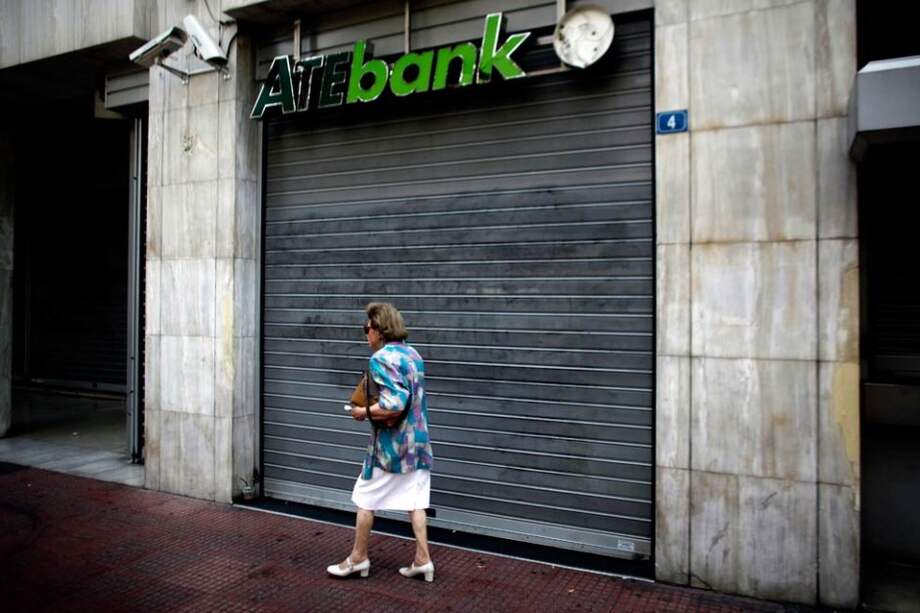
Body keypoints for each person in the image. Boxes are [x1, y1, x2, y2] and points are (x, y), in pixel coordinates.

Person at [327, 302, 435, 582]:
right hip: (418, 445)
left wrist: (363, 412)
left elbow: (394, 403)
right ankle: (423, 560)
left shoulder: (381, 358)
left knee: (365, 498)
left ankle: (358, 559)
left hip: (391, 449)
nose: (365, 334)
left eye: (367, 328)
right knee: (416, 503)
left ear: (379, 329)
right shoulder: (414, 355)